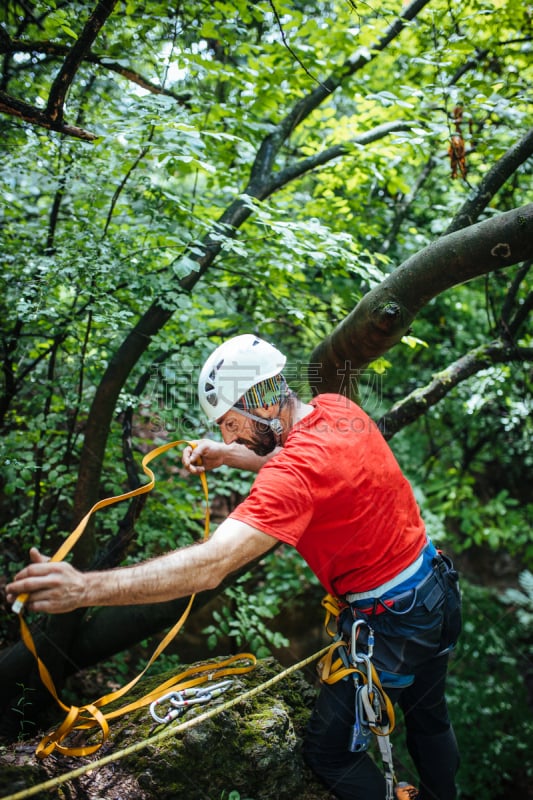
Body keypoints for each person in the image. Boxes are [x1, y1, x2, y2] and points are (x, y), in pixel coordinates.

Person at [6, 333, 461, 800]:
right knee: (430, 715)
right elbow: (298, 458)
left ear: (259, 404)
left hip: (395, 624)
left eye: (228, 424)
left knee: (330, 754)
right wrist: (230, 455)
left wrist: (84, 588)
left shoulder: (295, 478)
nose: (226, 435)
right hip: (436, 590)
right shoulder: (334, 410)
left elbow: (211, 564)